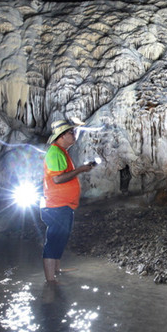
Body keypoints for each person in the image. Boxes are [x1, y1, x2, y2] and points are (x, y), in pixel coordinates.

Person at [41, 119, 96, 283]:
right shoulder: (55, 152)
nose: (74, 135)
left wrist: (81, 169)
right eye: (71, 132)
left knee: (61, 238)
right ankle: (50, 280)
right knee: (54, 240)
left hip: (63, 205)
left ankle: (56, 269)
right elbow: (57, 179)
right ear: (62, 136)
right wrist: (80, 169)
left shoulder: (62, 152)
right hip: (56, 205)